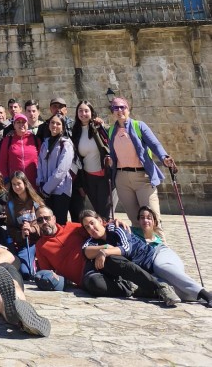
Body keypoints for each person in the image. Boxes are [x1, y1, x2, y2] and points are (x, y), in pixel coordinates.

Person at [82, 208, 211, 307]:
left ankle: (206, 294)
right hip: (146, 270)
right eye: (87, 227)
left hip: (155, 254)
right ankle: (198, 295)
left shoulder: (115, 227)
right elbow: (86, 251)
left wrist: (104, 252)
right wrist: (104, 248)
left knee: (163, 267)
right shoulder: (91, 242)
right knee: (181, 293)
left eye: (92, 223)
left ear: (100, 221)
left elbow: (126, 249)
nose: (92, 228)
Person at [33, 204, 154, 297]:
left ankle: (155, 286)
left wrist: (114, 222)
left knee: (113, 259)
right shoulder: (40, 246)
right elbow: (48, 272)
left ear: (54, 218)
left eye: (47, 218)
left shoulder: (72, 228)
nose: (44, 222)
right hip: (86, 276)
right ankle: (132, 288)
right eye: (40, 220)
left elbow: (96, 226)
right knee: (95, 284)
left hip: (94, 260)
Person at [106, 97, 175, 232]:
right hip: (122, 179)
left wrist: (164, 157)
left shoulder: (139, 125)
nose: (119, 110)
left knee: (151, 218)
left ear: (128, 109)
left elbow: (154, 144)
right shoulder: (111, 131)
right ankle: (143, 250)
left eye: (122, 107)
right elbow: (114, 153)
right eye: (116, 108)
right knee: (135, 220)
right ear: (112, 112)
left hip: (143, 177)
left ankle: (161, 249)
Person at [72, 99, 110, 219]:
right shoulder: (75, 131)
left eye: (86, 111)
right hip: (88, 177)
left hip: (104, 176)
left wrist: (102, 126)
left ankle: (110, 236)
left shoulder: (98, 127)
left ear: (92, 112)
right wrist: (80, 184)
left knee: (106, 212)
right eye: (80, 111)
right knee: (98, 211)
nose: (83, 114)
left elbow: (110, 139)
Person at [36, 114, 74, 225]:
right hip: (45, 191)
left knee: (59, 223)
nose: (55, 125)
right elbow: (40, 164)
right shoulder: (45, 143)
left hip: (60, 190)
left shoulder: (66, 144)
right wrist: (40, 182)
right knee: (47, 223)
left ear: (63, 126)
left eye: (58, 123)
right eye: (52, 123)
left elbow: (61, 170)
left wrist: (47, 188)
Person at [5, 171, 42, 276]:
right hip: (26, 243)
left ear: (25, 184)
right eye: (13, 184)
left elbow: (45, 223)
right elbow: (10, 228)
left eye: (19, 183)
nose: (16, 187)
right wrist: (20, 233)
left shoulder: (36, 201)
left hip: (40, 240)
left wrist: (32, 229)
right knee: (26, 272)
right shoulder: (11, 205)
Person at [0, 113, 40, 187]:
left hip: (33, 182)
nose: (21, 124)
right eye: (18, 122)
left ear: (27, 124)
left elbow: (42, 161)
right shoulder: (8, 140)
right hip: (15, 184)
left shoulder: (35, 139)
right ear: (14, 125)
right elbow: (2, 162)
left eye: (23, 122)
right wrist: (6, 180)